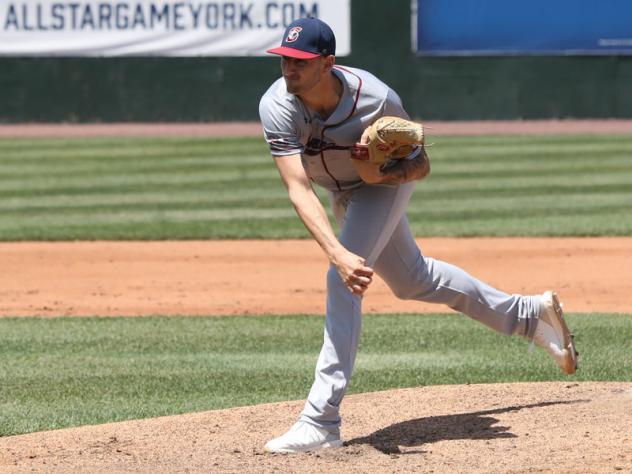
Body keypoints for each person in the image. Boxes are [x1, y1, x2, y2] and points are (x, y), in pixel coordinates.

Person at [258, 17, 578, 454]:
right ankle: (528, 315)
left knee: (343, 281)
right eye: (285, 60)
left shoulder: (376, 98)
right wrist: (336, 250)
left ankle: (321, 420)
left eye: (300, 61)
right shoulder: (277, 103)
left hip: (379, 189)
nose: (288, 69)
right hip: (336, 190)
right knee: (414, 281)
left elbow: (420, 166)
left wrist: (383, 168)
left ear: (328, 63)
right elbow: (298, 187)